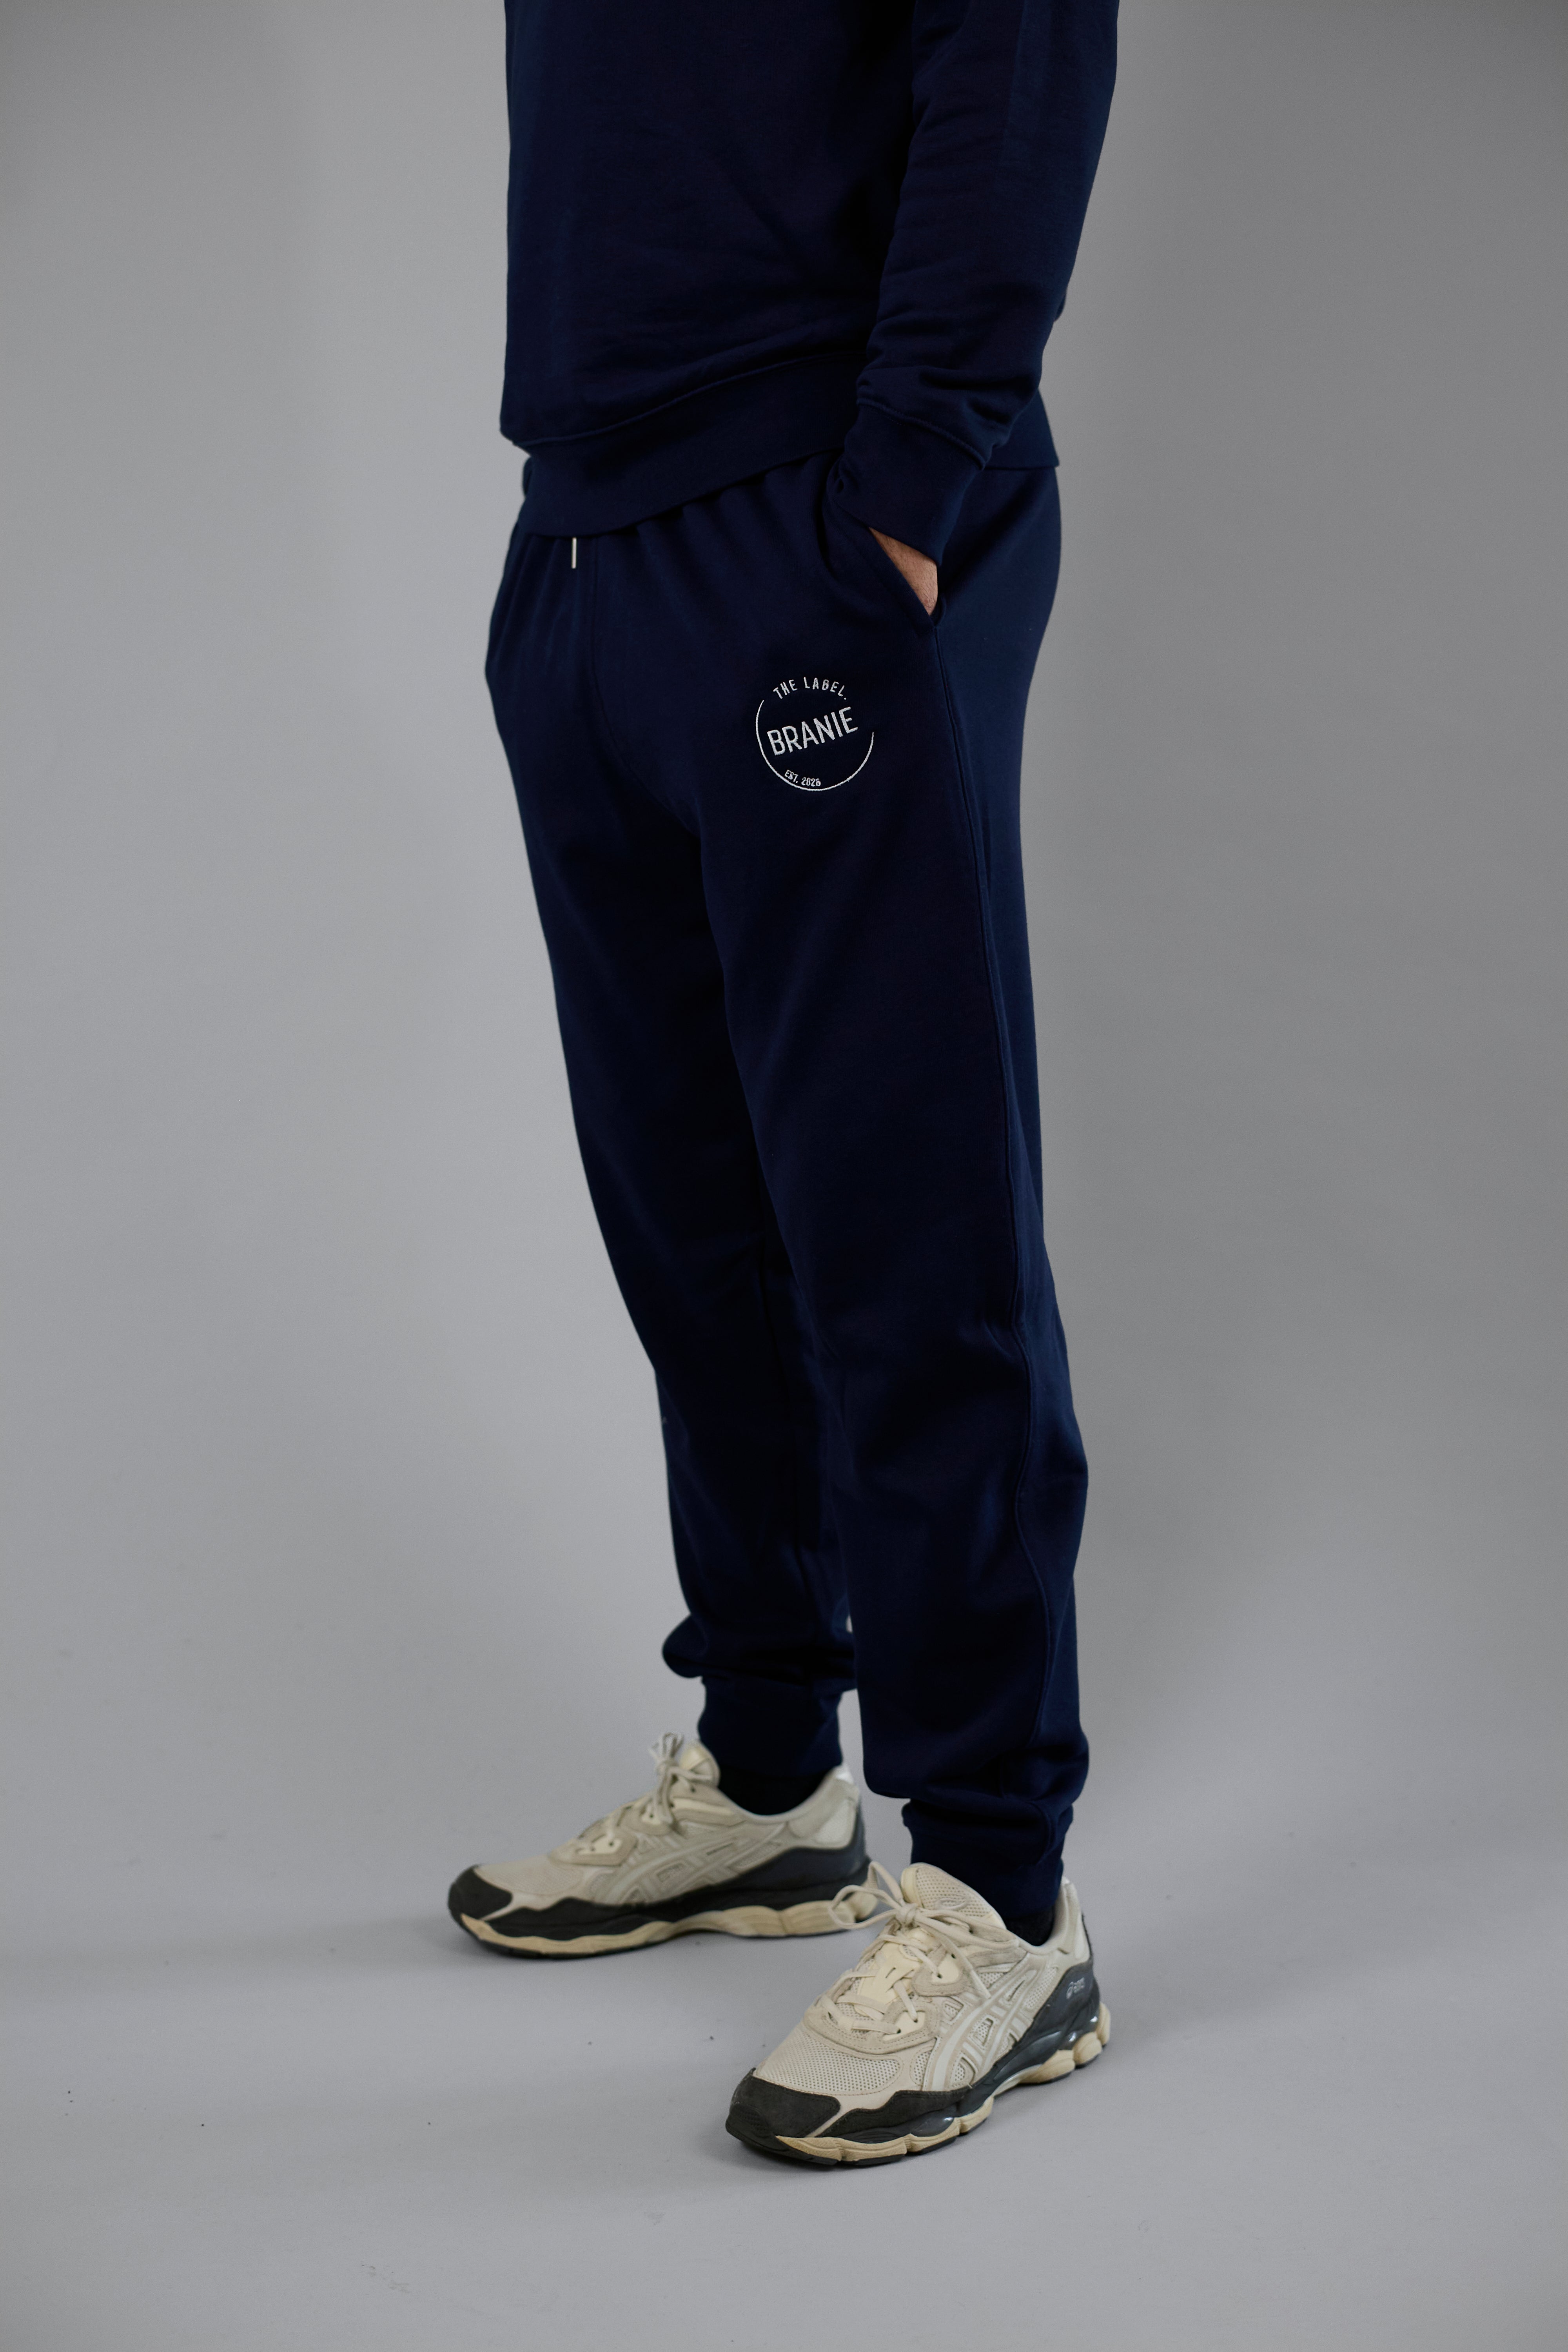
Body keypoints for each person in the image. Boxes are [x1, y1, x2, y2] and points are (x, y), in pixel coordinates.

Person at [451, 0, 1118, 2168]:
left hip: (817, 508)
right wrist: (557, 564)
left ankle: (1002, 1888)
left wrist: (911, 482)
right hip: (585, 531)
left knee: (903, 1211)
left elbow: (1017, 55)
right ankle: (766, 1778)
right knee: (693, 1213)